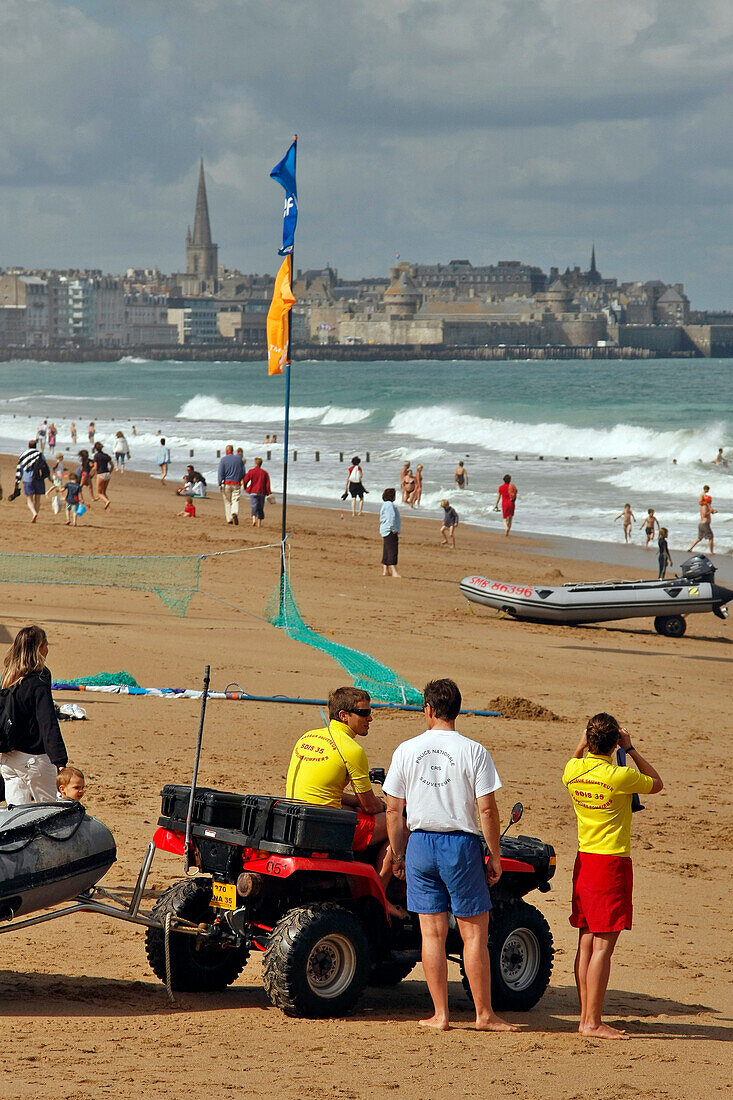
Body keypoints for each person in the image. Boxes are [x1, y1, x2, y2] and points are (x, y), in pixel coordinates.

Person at [384, 678, 518, 1033]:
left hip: (421, 844)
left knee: (432, 935)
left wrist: (399, 854)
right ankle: (483, 1014)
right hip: (459, 844)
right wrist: (495, 855)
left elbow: (393, 811)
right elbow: (487, 810)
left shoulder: (406, 750)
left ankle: (441, 1015)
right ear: (456, 709)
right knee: (474, 935)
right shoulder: (474, 751)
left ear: (428, 709)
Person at [563, 713, 663, 1039]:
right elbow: (656, 783)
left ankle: (585, 1016)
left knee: (587, 940)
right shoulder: (618, 776)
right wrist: (631, 749)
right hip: (610, 863)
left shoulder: (573, 770)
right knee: (603, 946)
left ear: (589, 741)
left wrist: (582, 743)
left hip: (585, 860)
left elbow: (574, 760)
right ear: (614, 744)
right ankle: (592, 1022)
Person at [286, 687, 390, 860]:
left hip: (296, 815)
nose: (370, 718)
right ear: (343, 715)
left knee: (353, 808)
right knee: (398, 824)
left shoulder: (307, 736)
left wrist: (356, 801)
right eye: (363, 713)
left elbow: (321, 790)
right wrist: (385, 807)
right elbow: (370, 807)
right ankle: (379, 883)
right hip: (325, 827)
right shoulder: (352, 750)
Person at [0, 625, 68, 804]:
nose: (48, 649)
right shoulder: (39, 678)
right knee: (47, 815)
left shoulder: (7, 678)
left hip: (9, 760)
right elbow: (47, 721)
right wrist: (60, 760)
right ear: (39, 648)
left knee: (17, 819)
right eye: (46, 644)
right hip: (34, 759)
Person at [15, 439, 50, 523]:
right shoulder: (40, 454)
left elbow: (20, 469)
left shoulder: (23, 454)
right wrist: (50, 478)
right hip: (39, 478)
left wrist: (17, 481)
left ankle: (34, 513)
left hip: (28, 478)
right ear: (36, 446)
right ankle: (35, 516)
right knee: (37, 499)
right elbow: (46, 466)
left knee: (29, 499)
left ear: (28, 446)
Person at [217, 445, 245, 525]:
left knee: (227, 501)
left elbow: (220, 472)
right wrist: (240, 479)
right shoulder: (239, 459)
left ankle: (229, 518)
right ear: (233, 450)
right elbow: (243, 472)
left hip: (227, 483)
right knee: (235, 499)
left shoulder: (223, 460)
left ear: (226, 451)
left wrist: (219, 483)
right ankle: (234, 512)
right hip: (236, 483)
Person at [243, 457, 273, 528]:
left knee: (254, 505)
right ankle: (259, 523)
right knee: (260, 507)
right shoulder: (265, 473)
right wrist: (269, 492)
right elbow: (267, 484)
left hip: (253, 491)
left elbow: (245, 480)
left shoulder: (251, 471)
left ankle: (254, 519)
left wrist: (245, 487)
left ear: (255, 463)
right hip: (262, 492)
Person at [380, 487, 401, 578]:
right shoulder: (389, 505)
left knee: (387, 549)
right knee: (392, 550)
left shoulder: (385, 504)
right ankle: (394, 571)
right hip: (389, 530)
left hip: (385, 529)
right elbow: (391, 518)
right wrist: (393, 529)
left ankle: (386, 570)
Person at [91, 441, 113, 510]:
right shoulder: (106, 455)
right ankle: (108, 508)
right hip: (107, 473)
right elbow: (112, 465)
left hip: (101, 474)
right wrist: (110, 472)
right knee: (104, 492)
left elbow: (95, 467)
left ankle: (107, 501)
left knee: (99, 493)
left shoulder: (96, 456)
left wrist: (91, 473)